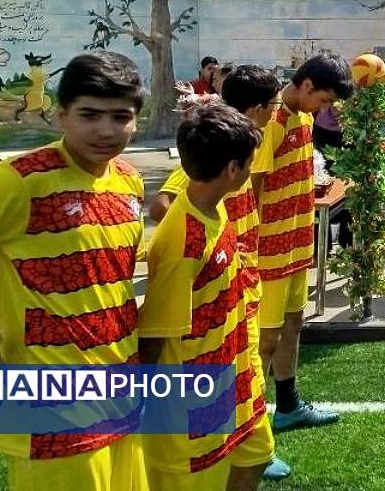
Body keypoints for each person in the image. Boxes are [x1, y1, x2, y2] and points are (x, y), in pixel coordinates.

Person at [0, 52, 148, 491]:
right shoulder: (20, 181)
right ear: (61, 116)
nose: (106, 130)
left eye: (121, 117)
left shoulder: (128, 180)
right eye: (89, 115)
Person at [150, 65, 292, 483]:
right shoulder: (183, 238)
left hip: (237, 362)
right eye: (249, 164)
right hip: (201, 383)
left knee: (256, 455)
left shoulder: (214, 209)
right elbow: (154, 338)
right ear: (233, 169)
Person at [257, 53, 352, 432]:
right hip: (267, 252)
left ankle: (288, 405)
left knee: (293, 323)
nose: (324, 109)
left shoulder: (305, 117)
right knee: (264, 339)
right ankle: (247, 428)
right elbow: (252, 189)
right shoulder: (271, 122)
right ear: (307, 85)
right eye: (324, 100)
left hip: (298, 244)